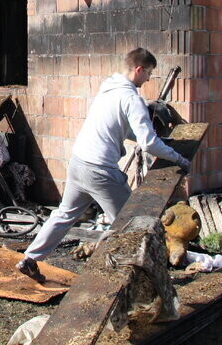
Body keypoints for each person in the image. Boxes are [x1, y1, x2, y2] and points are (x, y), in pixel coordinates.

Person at [16, 48, 191, 282]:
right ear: (139, 69)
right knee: (132, 223)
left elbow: (122, 128)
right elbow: (148, 144)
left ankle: (29, 259)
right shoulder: (132, 99)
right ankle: (129, 278)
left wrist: (159, 141)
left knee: (64, 215)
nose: (149, 79)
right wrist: (179, 159)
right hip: (100, 171)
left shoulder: (108, 88)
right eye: (149, 73)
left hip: (79, 163)